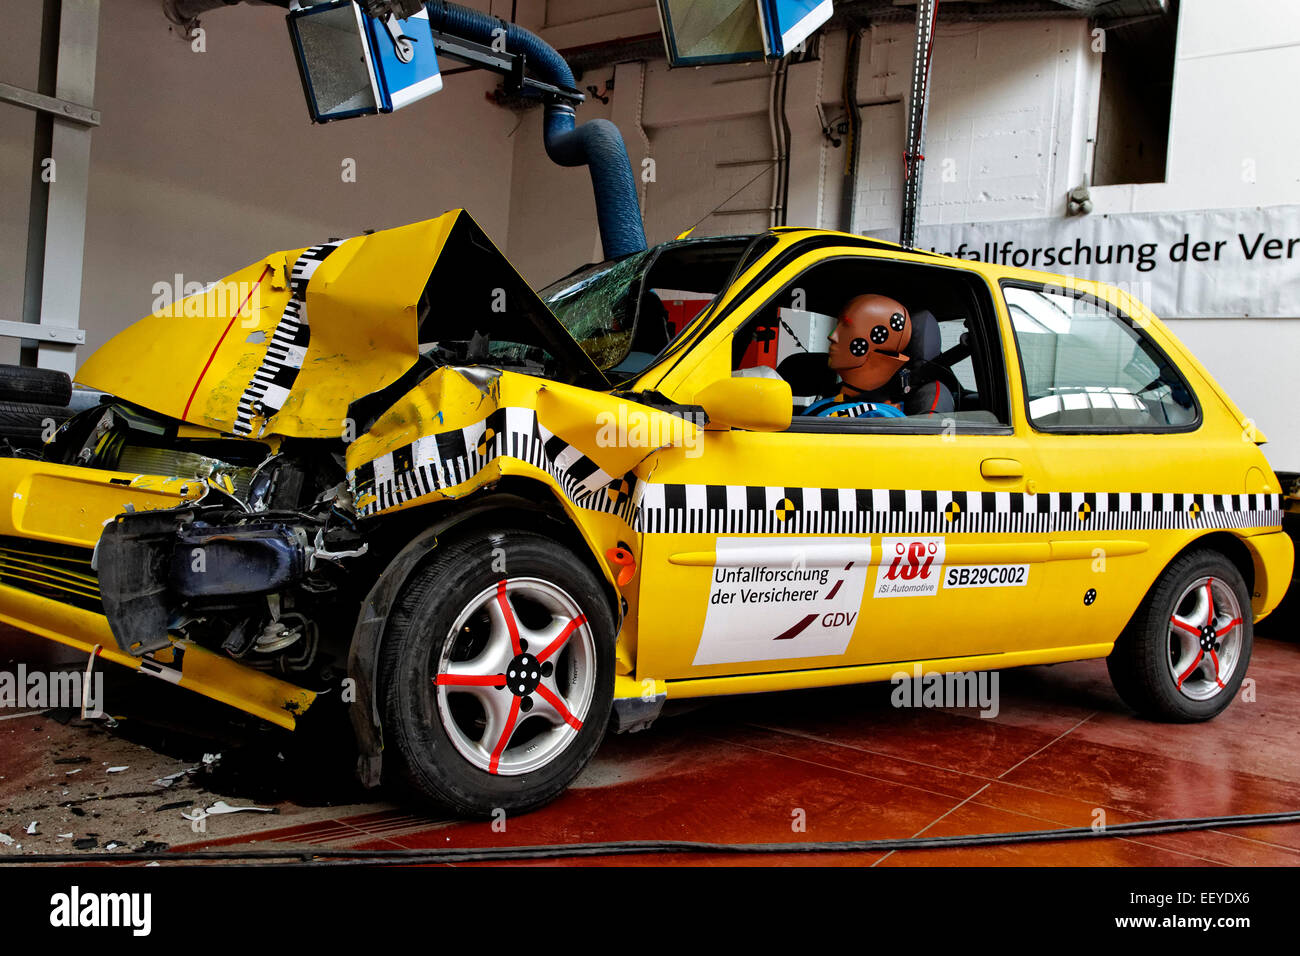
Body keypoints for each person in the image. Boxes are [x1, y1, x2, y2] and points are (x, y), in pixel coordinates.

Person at [803, 294, 953, 418]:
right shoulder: (836, 401)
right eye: (838, 325)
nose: (832, 336)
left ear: (882, 345)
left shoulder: (875, 416)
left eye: (846, 327)